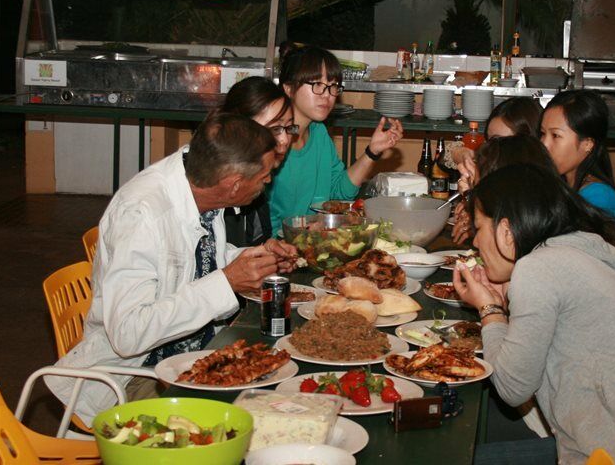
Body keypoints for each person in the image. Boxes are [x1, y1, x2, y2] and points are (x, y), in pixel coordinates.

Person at [46, 114, 299, 425]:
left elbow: (190, 261)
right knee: (256, 422)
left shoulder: (200, 184)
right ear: (233, 185)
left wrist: (254, 257)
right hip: (135, 376)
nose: (268, 181)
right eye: (264, 177)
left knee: (288, 389)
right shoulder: (142, 215)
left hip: (196, 354)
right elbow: (128, 334)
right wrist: (227, 281)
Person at [454, 164, 615, 465]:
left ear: (506, 232)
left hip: (614, 458)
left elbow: (511, 388)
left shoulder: (539, 269)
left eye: (479, 229)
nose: (475, 242)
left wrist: (489, 310)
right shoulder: (577, 247)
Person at [267, 45, 403, 233]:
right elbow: (262, 221)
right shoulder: (272, 142)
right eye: (317, 84)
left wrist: (372, 151)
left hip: (313, 243)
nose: (327, 95)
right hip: (278, 249)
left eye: (332, 86)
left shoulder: (319, 133)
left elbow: (339, 193)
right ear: (289, 89)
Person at [449, 97, 544, 245]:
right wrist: (460, 153)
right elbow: (447, 156)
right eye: (490, 140)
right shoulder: (503, 174)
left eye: (500, 141)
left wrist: (476, 211)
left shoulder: (537, 191)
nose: (491, 147)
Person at [219, 76, 297, 245]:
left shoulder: (258, 180)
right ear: (238, 128)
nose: (284, 140)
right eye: (275, 129)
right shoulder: (218, 188)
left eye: (289, 128)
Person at [540, 90, 615, 220]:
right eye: (543, 133)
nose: (544, 144)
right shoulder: (562, 185)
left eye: (555, 135)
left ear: (587, 144)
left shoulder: (599, 197)